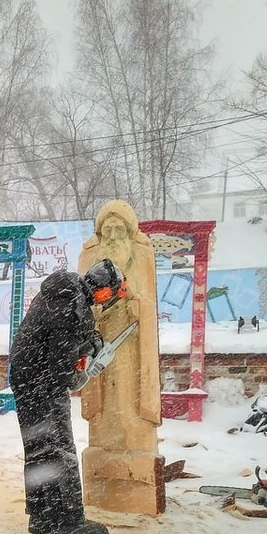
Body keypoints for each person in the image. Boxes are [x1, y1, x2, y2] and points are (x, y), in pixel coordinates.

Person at [9, 261, 124, 534]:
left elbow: (53, 338)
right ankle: (69, 522)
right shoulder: (75, 310)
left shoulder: (61, 291)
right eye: (109, 294)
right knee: (62, 449)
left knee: (39, 447)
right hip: (43, 383)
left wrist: (86, 343)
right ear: (101, 292)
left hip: (25, 377)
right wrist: (79, 375)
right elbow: (62, 368)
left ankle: (42, 515)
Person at [78, 199, 164, 515]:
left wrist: (133, 302)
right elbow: (82, 301)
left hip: (130, 342)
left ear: (129, 230)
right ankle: (108, 447)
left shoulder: (142, 254)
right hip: (100, 334)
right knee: (105, 399)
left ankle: (132, 447)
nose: (113, 235)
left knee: (129, 396)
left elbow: (149, 301)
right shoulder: (89, 255)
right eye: (108, 229)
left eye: (119, 228)